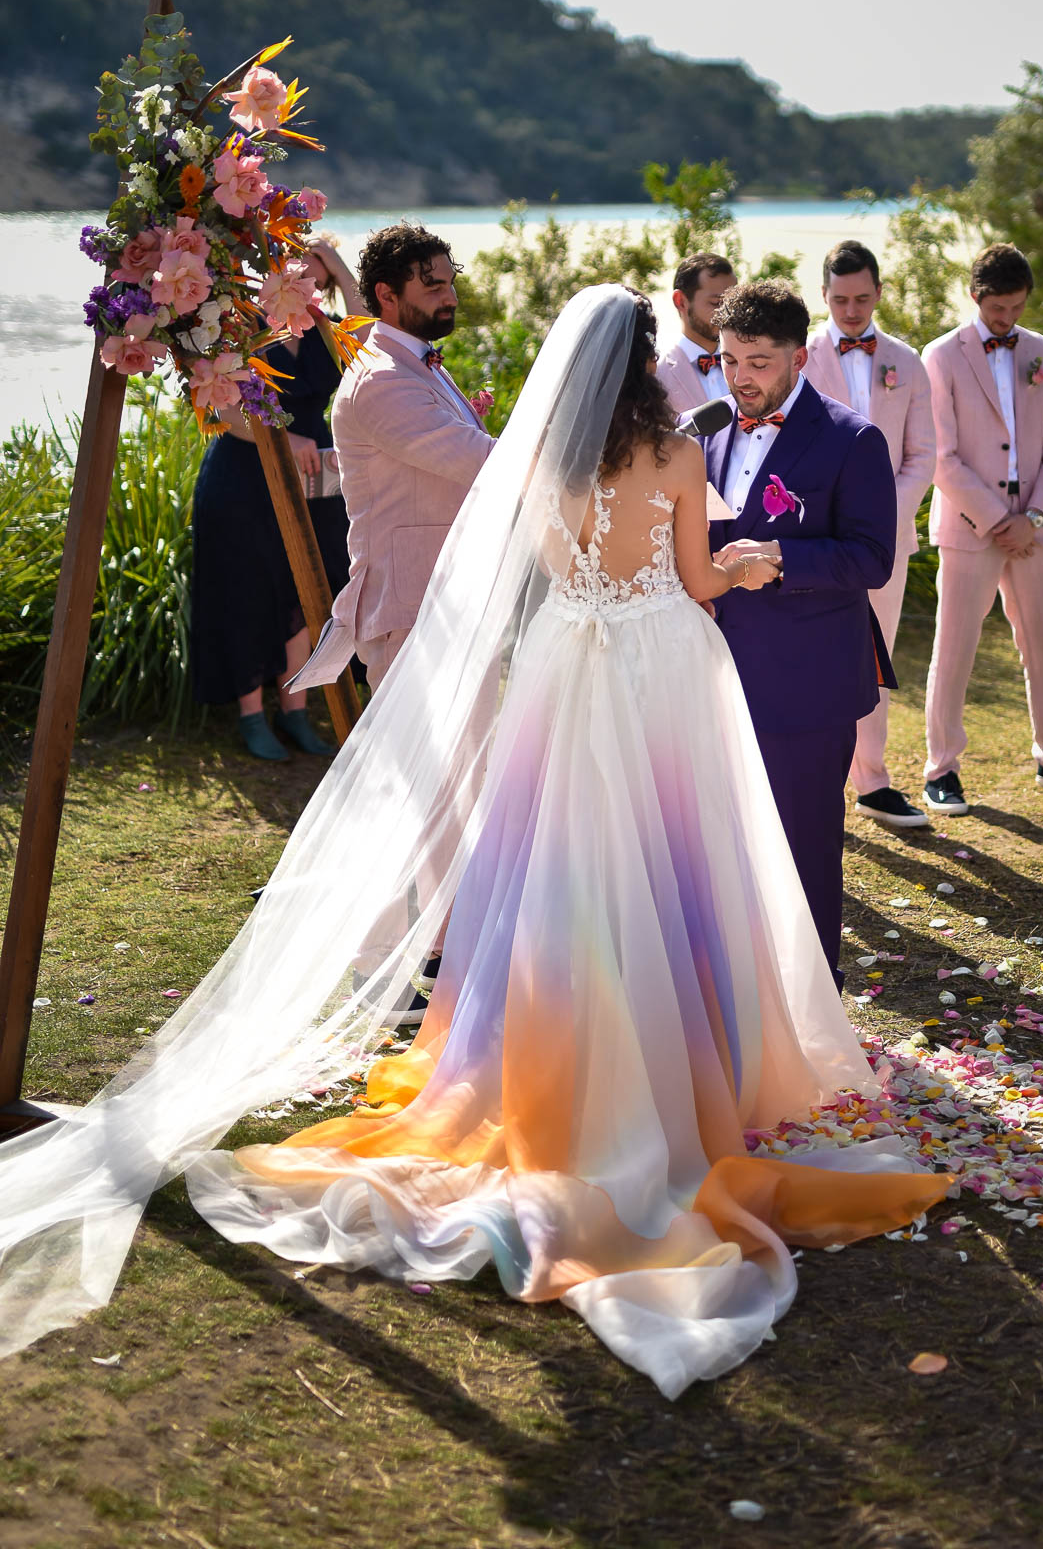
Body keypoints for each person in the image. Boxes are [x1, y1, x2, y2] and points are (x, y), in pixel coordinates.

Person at [0, 285, 948, 1399]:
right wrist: (745, 567)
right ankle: (676, 1064)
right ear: (646, 362)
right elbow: (694, 580)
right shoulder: (679, 452)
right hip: (659, 670)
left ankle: (546, 1053)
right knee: (674, 863)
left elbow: (549, 573)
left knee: (559, 868)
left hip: (567, 668)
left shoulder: (541, 460)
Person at [700, 280, 899, 986]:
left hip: (807, 684)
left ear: (800, 356)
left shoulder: (854, 440)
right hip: (712, 677)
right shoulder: (706, 430)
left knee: (803, 848)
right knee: (727, 847)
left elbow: (872, 558)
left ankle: (814, 1002)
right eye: (729, 360)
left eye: (758, 362)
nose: (740, 378)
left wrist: (781, 557)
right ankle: (743, 994)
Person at [920, 242, 1043, 814]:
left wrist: (1032, 517)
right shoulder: (940, 355)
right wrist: (998, 519)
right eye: (998, 308)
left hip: (1033, 530)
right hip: (970, 528)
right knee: (955, 648)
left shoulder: (1040, 351)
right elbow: (941, 456)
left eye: (1017, 307)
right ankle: (941, 770)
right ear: (976, 297)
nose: (1008, 317)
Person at [189, 236, 367, 759]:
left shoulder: (328, 331)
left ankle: (295, 710)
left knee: (309, 588)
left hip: (313, 479)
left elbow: (371, 331)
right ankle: (251, 717)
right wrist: (283, 440)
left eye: (317, 276)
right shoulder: (242, 326)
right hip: (244, 476)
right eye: (297, 269)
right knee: (246, 589)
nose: (305, 281)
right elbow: (222, 409)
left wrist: (338, 262)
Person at [325, 223, 493, 691]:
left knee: (473, 740)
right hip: (410, 607)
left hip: (451, 596)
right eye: (434, 287)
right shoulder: (381, 380)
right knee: (418, 743)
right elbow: (480, 461)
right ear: (387, 295)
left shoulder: (417, 363)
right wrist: (576, 449)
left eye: (451, 284)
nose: (451, 298)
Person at [805, 241, 936, 829]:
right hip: (819, 539)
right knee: (815, 658)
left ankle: (874, 781)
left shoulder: (908, 360)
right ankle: (816, 783)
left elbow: (923, 454)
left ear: (879, 292)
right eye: (840, 300)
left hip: (887, 540)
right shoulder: (801, 356)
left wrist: (882, 516)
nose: (851, 310)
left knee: (875, 659)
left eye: (861, 298)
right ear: (824, 296)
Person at [654, 251, 737, 413]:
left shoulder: (750, 364)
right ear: (681, 302)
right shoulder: (657, 374)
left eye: (733, 303)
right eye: (717, 303)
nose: (728, 313)